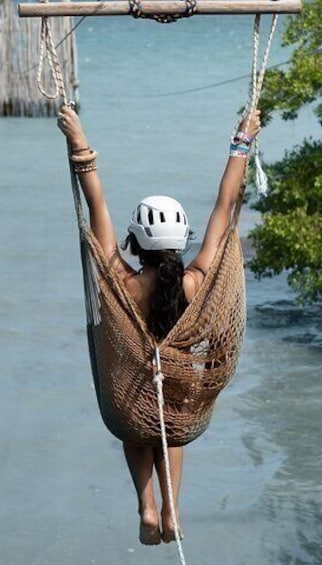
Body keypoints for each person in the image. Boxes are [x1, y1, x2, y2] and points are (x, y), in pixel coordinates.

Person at [57, 104, 261, 545]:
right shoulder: (196, 284)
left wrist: (77, 138)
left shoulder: (120, 281)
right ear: (182, 239)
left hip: (129, 406)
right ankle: (171, 510)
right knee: (170, 426)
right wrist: (241, 142)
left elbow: (97, 204)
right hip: (182, 410)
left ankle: (146, 506)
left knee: (141, 425)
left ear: (136, 241)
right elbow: (224, 208)